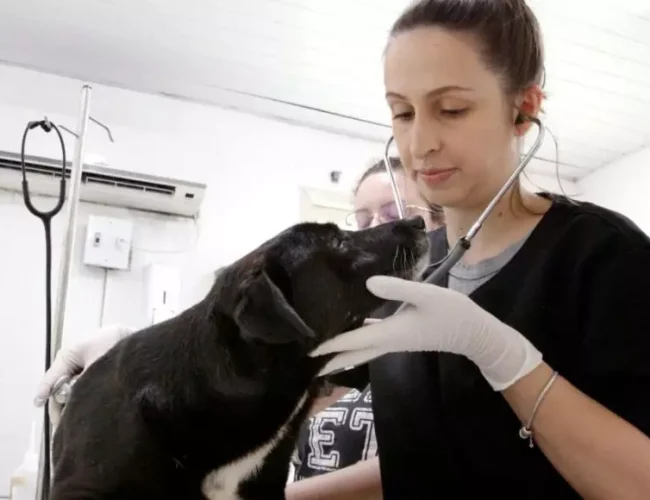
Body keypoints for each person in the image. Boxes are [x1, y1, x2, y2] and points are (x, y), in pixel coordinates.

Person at [35, 0, 650, 498]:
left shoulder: (603, 260)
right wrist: (132, 350)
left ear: (524, 109)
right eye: (402, 113)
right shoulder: (410, 277)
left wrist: (507, 360)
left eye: (452, 109)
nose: (421, 143)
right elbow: (423, 459)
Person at [291, 158, 443, 483]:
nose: (377, 229)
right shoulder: (350, 315)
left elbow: (424, 460)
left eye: (393, 215)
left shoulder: (450, 327)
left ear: (440, 221)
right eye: (363, 221)